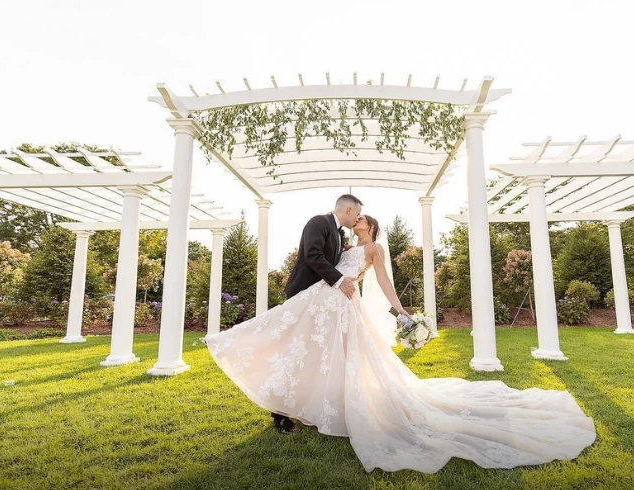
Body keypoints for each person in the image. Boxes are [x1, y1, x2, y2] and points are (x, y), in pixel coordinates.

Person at [204, 196, 596, 473]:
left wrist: (401, 310)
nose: (356, 222)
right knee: (304, 348)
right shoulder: (339, 240)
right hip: (323, 301)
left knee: (335, 356)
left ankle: (313, 405)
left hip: (341, 305)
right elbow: (320, 262)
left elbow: (384, 283)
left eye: (361, 220)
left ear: (370, 227)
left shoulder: (371, 248)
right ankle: (292, 397)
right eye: (355, 218)